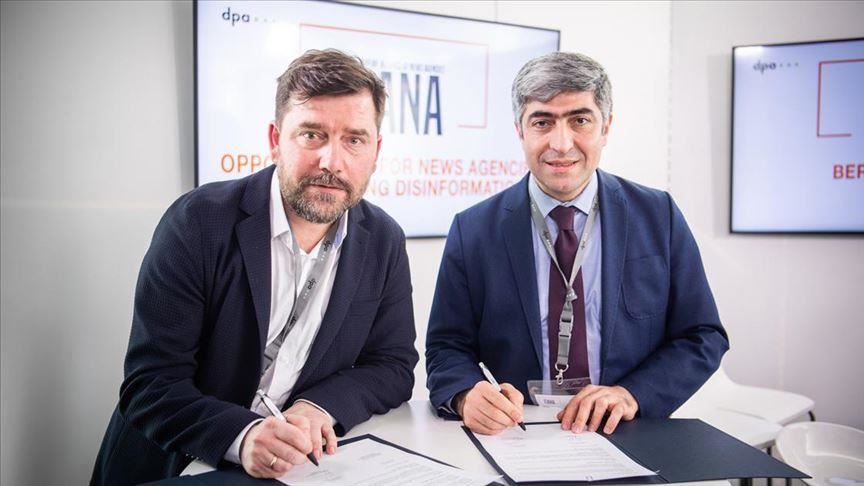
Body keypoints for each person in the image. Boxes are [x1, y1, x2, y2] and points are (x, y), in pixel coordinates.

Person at [91, 49, 418, 485]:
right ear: (275, 139)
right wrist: (243, 436)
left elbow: (393, 364)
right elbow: (150, 384)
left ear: (375, 151)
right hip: (175, 464)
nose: (332, 162)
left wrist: (319, 407)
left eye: (354, 140)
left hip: (294, 469)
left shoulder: (384, 239)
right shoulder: (197, 222)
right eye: (312, 135)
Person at [425, 51, 728, 437]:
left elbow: (702, 335)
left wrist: (633, 394)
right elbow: (447, 346)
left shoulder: (659, 215)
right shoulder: (473, 230)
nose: (561, 143)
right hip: (519, 433)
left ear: (606, 127)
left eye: (580, 120)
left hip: (628, 429)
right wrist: (466, 394)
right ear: (520, 131)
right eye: (542, 122)